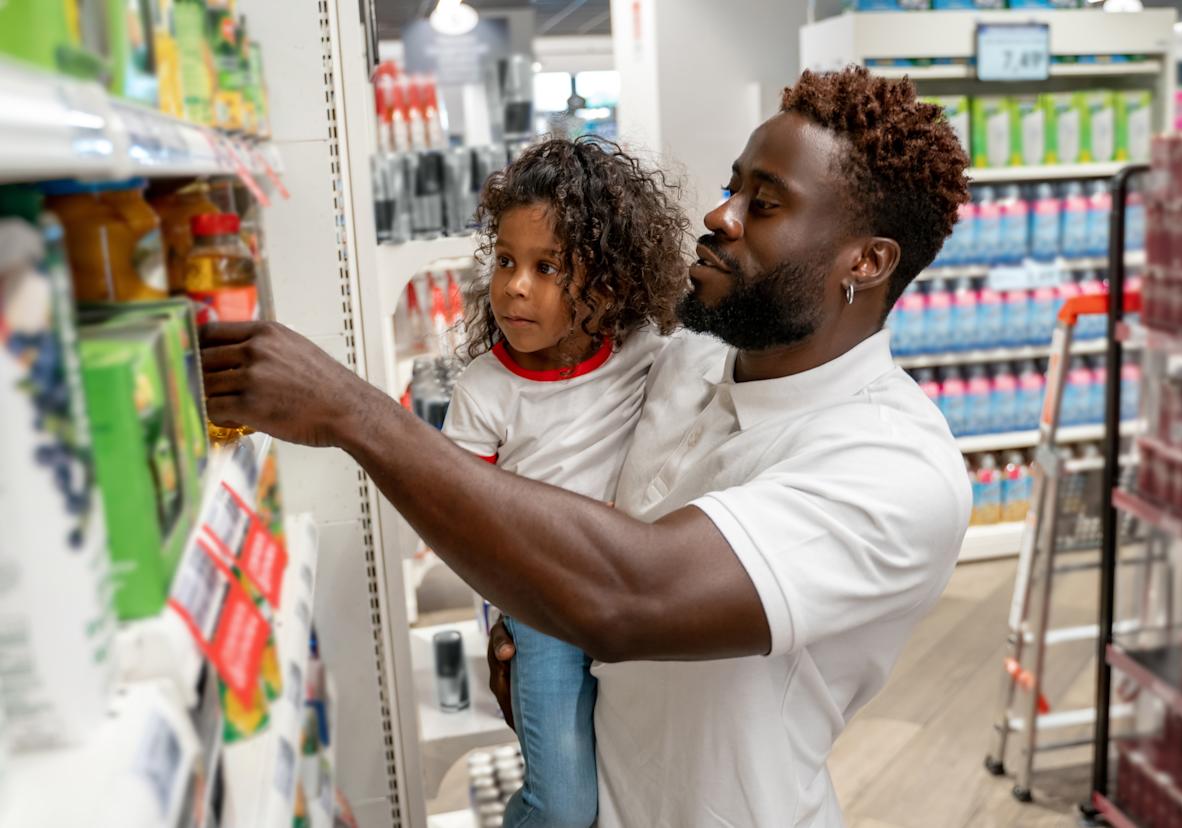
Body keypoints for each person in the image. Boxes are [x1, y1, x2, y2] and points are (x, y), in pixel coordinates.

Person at [199, 66, 972, 827]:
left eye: (762, 204)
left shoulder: (894, 469)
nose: (721, 214)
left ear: (865, 262)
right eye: (732, 187)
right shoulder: (685, 358)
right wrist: (519, 616)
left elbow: (631, 593)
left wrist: (352, 412)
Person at [443, 137, 688, 828]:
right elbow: (462, 521)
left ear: (607, 282)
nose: (515, 285)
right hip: (543, 612)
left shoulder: (645, 350)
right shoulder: (484, 390)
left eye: (547, 267)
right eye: (505, 261)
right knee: (562, 804)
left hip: (635, 595)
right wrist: (499, 616)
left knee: (628, 774)